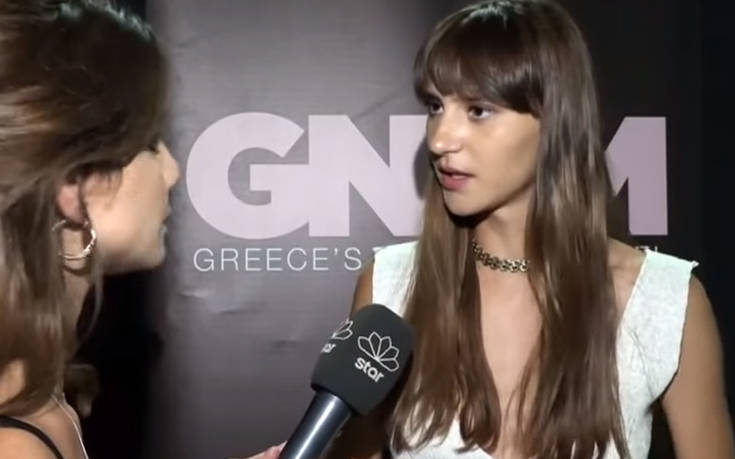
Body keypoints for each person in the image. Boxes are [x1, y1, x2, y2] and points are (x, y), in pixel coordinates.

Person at [325, 1, 734, 458]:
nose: (439, 140)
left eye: (478, 110)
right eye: (436, 106)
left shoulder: (663, 302)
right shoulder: (391, 289)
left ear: (555, 120)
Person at [0, 1, 280, 458]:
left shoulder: (36, 387)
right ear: (75, 185)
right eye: (149, 143)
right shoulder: (15, 444)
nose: (172, 171)